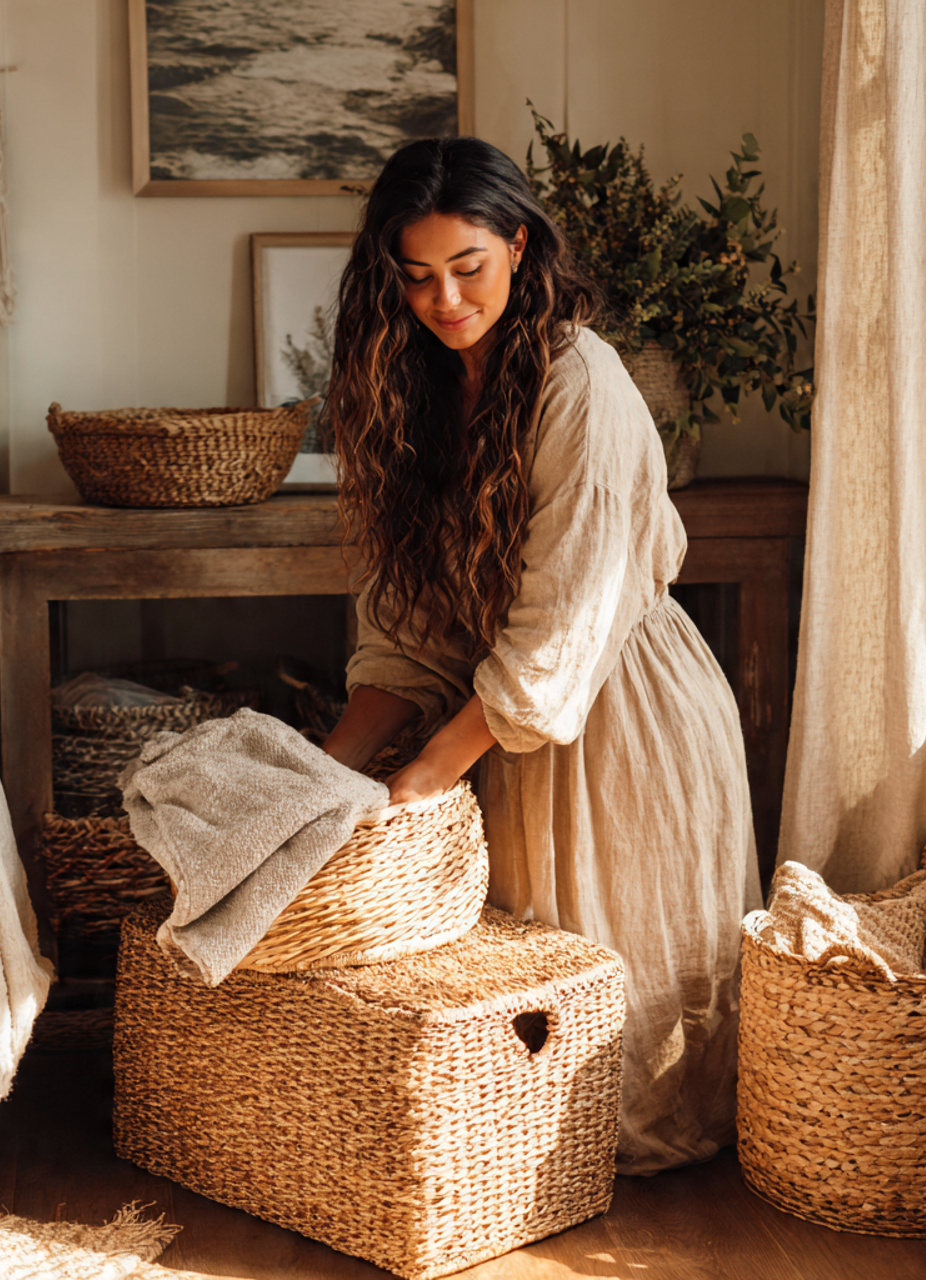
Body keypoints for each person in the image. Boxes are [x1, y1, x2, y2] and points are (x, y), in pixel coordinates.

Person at [321, 136, 759, 1174]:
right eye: (416, 276)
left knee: (617, 1023)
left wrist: (428, 770)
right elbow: (406, 623)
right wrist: (335, 767)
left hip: (615, 712)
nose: (444, 299)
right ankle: (514, 1171)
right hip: (501, 714)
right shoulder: (412, 388)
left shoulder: (582, 386)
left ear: (519, 246)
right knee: (503, 1032)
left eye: (467, 267)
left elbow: (560, 633)